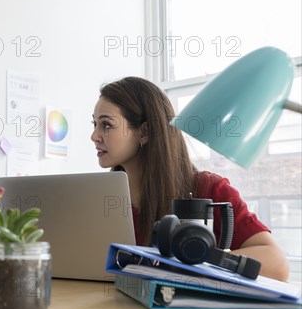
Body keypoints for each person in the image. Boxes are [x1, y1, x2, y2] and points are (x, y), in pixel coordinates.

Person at [90, 76, 289, 281]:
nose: (94, 136)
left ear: (145, 132)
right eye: (94, 123)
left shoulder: (209, 189)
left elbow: (277, 265)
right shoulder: (103, 197)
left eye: (106, 124)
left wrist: (197, 261)